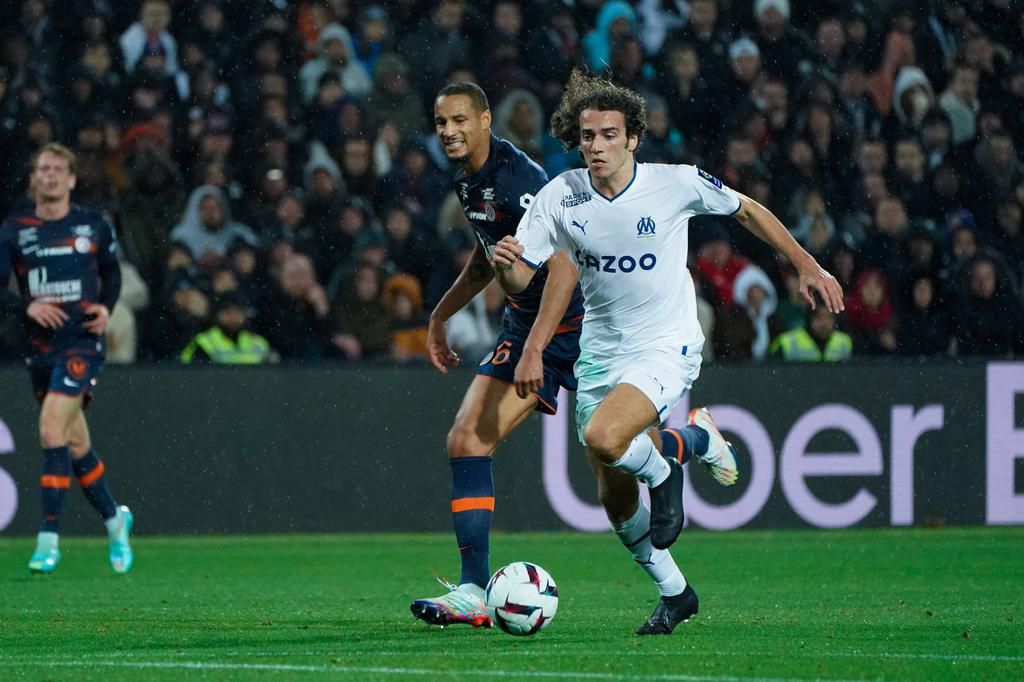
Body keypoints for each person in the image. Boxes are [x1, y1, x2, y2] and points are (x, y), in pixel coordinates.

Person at [491, 70, 844, 634]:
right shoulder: (562, 194)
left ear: (633, 138)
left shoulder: (675, 183)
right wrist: (505, 267)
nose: (597, 146)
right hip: (601, 349)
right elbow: (522, 279)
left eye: (609, 134)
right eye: (587, 136)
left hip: (666, 343)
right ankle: (676, 589)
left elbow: (748, 210)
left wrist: (807, 265)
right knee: (611, 490)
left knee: (605, 437)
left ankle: (667, 469)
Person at [409, 82, 585, 629]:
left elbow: (566, 268)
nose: (449, 131)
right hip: (525, 319)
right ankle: (473, 589)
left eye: (460, 120)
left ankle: (697, 438)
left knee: (623, 450)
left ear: (486, 120)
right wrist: (440, 315)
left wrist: (536, 348)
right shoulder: (470, 180)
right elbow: (489, 260)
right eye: (441, 122)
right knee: (466, 440)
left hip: (574, 325)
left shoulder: (520, 182)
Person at [0, 143, 134, 574]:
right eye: (44, 169)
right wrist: (27, 307)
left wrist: (108, 308)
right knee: (76, 443)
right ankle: (115, 520)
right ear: (35, 178)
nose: (51, 176)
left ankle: (48, 539)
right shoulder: (16, 227)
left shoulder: (92, 226)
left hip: (82, 343)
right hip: (40, 348)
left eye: (59, 169)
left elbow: (111, 275)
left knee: (50, 428)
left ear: (72, 179)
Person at [770, 304, 852, 361]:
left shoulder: (845, 342)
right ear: (810, 319)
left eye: (829, 317)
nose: (824, 323)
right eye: (818, 317)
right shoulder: (786, 342)